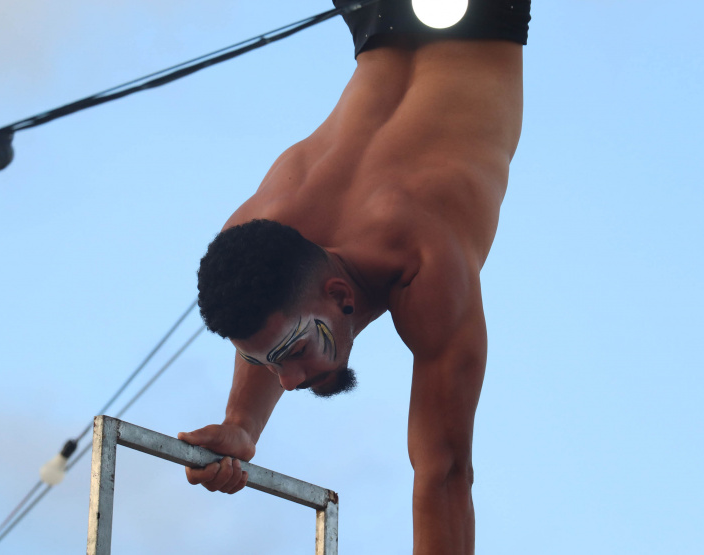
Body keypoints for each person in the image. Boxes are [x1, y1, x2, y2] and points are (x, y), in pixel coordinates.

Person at [177, 0, 530, 552]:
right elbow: (267, 328)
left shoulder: (425, 262)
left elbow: (444, 474)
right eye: (271, 361)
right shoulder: (256, 235)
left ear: (339, 294)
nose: (290, 382)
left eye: (296, 351)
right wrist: (241, 423)